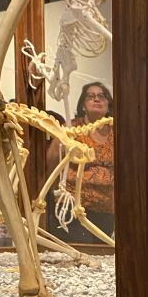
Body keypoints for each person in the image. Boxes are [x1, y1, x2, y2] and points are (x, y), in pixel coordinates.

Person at [50, 82, 115, 243]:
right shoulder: (71, 128)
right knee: (81, 247)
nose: (96, 99)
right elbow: (52, 160)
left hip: (106, 209)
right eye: (91, 96)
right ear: (83, 104)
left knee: (101, 251)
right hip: (72, 205)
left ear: (108, 103)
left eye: (101, 96)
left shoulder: (116, 132)